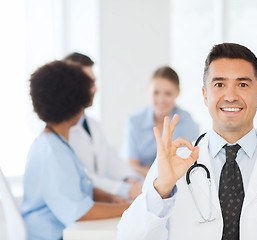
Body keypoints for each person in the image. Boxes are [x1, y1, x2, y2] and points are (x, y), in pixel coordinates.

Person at [117, 43, 257, 240]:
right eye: (219, 84)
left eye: (242, 85)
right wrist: (162, 189)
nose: (230, 96)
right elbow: (129, 237)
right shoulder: (169, 167)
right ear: (205, 95)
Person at [21, 61, 130, 240]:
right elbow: (80, 212)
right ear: (76, 104)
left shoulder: (54, 144)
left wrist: (110, 197)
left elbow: (78, 188)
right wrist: (130, 208)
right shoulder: (53, 153)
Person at [64, 52, 142, 200]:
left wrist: (129, 178)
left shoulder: (93, 125)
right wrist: (127, 190)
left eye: (94, 82)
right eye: (88, 83)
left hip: (98, 201)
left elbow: (111, 158)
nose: (94, 89)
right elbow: (83, 178)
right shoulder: (62, 133)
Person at [121, 66, 199, 177]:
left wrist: (149, 171)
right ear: (148, 90)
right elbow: (131, 165)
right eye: (156, 93)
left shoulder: (186, 121)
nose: (161, 100)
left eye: (167, 94)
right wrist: (163, 174)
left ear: (177, 93)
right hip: (140, 185)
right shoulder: (134, 121)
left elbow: (190, 163)